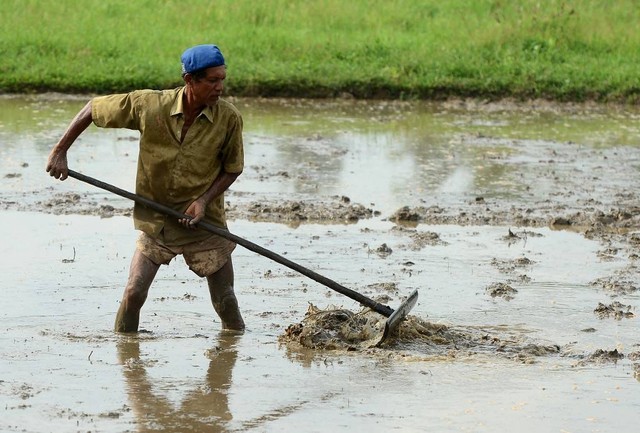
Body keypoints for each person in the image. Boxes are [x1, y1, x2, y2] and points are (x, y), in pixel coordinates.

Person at [46, 44, 245, 332]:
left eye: (222, 79)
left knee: (225, 300)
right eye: (212, 80)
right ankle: (126, 358)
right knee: (133, 294)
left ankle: (233, 351)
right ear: (190, 80)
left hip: (204, 224)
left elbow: (232, 168)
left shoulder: (228, 119)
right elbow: (94, 108)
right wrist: (59, 151)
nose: (220, 87)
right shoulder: (150, 105)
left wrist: (203, 201)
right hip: (158, 220)